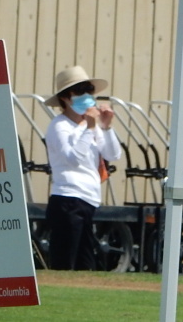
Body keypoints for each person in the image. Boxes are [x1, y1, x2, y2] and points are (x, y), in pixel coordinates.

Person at [43, 65, 121, 271]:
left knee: (85, 264)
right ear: (65, 98)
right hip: (67, 199)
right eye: (79, 91)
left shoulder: (90, 125)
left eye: (89, 90)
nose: (86, 96)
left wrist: (106, 127)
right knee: (64, 263)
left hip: (88, 200)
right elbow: (72, 158)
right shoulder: (60, 126)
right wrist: (90, 128)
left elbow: (113, 154)